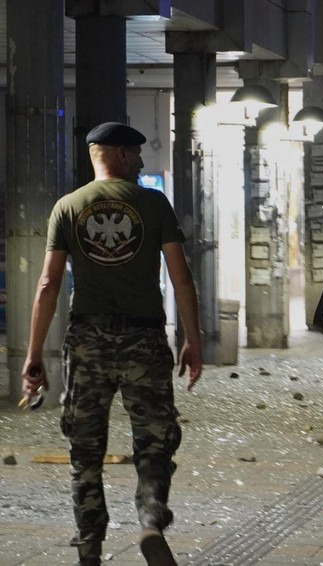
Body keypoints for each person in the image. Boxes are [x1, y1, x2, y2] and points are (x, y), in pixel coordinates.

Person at [20, 122, 203, 566]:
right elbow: (181, 277)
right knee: (154, 441)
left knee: (85, 448)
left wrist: (33, 355)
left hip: (88, 341)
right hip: (144, 338)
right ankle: (151, 521)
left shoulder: (68, 206)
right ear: (119, 154)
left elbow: (47, 284)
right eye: (136, 155)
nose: (141, 163)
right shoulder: (154, 203)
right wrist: (192, 339)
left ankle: (90, 546)